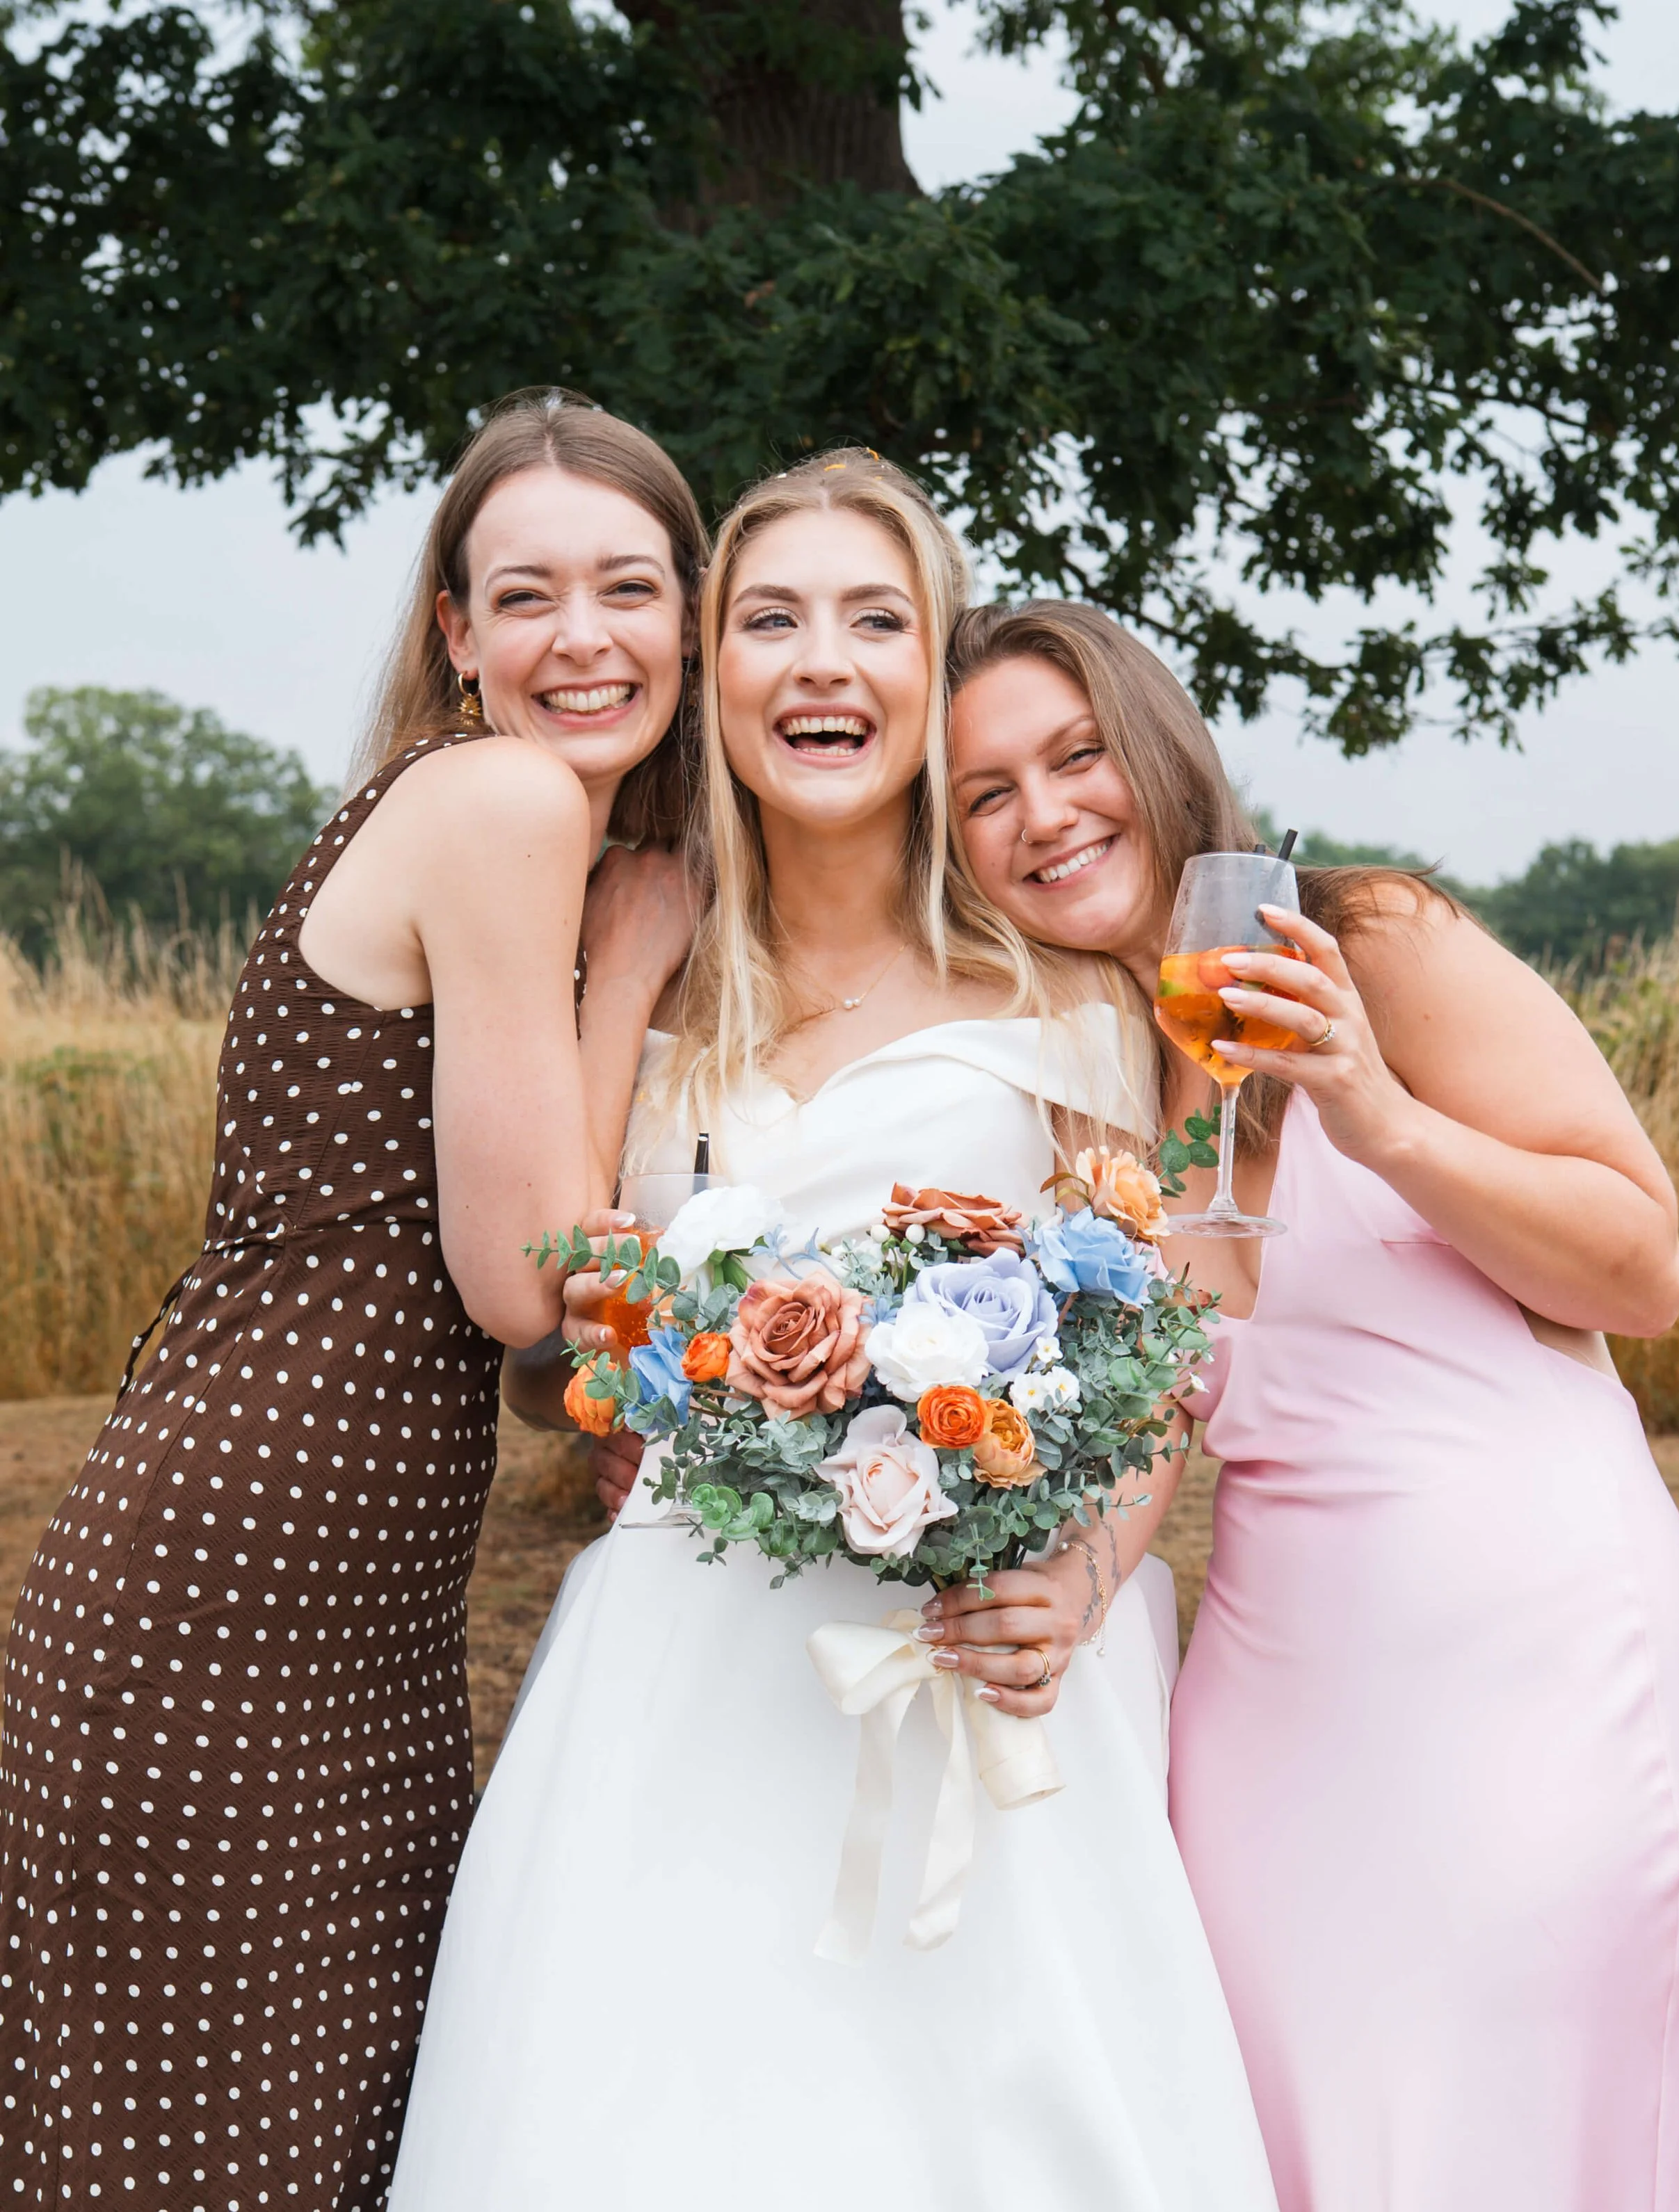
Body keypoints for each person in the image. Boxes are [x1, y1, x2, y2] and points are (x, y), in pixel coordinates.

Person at [387, 454, 1278, 2212]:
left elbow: (1165, 1345)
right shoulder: (637, 962)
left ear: (930, 670)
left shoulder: (1064, 993)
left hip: (971, 1664)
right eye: (769, 619)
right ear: (710, 671)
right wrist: (627, 977)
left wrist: (1083, 1578)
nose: (820, 662)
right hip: (679, 1661)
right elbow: (561, 1325)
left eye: (875, 620)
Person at [939, 597, 1679, 2211]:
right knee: (1296, 2124)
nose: (1044, 814)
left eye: (1075, 755)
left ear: (1154, 751)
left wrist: (1377, 1117)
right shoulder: (1079, 1086)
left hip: (1538, 1662)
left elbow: (1641, 1270)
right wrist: (1073, 1588)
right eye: (984, 794)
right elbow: (1153, 1422)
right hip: (1270, 1712)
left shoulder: (1370, 940)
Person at [0, 389, 704, 2209]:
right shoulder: (501, 802)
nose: (582, 636)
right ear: (456, 635)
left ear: (689, 620)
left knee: (297, 2145)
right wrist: (628, 975)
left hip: (348, 1619)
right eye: (526, 595)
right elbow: (521, 1276)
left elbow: (505, 1328)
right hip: (234, 1610)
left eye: (628, 586)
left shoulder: (485, 818)